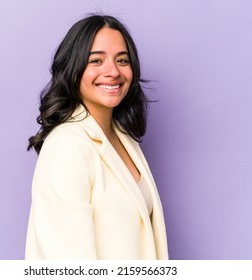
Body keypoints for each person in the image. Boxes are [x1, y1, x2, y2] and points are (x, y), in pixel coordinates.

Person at [25, 14, 168, 260]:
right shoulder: (68, 145)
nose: (113, 71)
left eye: (122, 60)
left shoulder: (123, 138)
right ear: (73, 69)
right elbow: (66, 261)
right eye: (96, 60)